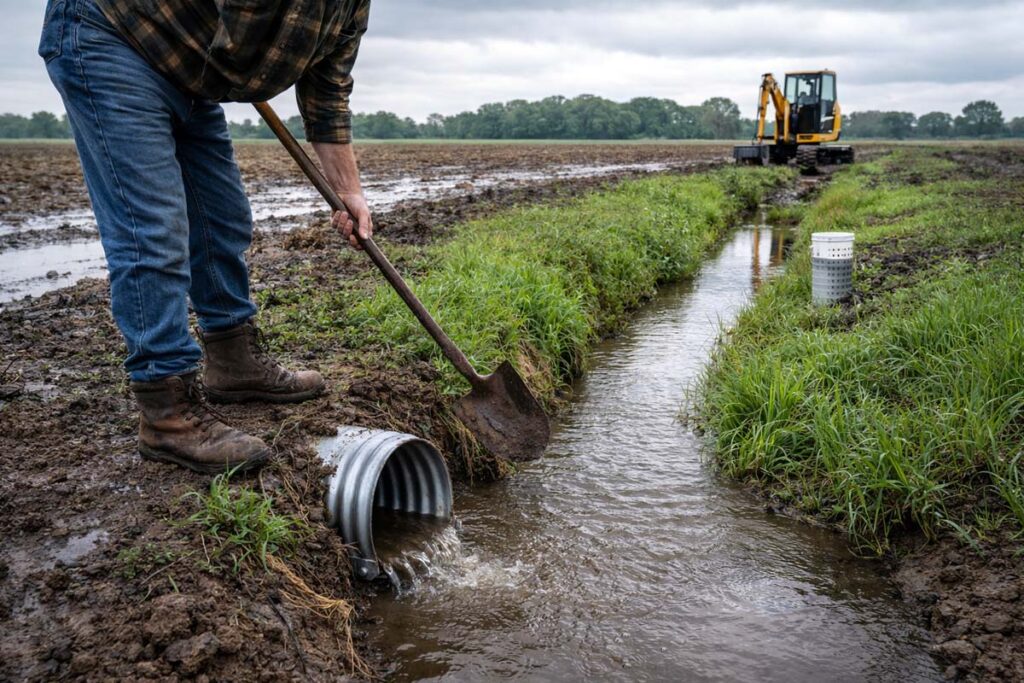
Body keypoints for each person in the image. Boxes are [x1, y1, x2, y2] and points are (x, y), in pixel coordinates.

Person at [38, 0, 372, 473]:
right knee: (153, 230)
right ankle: (166, 412)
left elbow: (328, 93)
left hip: (190, 69)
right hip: (113, 35)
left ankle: (234, 362)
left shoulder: (351, 8)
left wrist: (349, 191)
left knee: (223, 218)